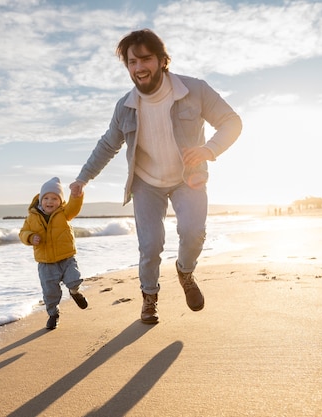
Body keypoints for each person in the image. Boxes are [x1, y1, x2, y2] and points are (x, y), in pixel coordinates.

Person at [70, 29, 242, 324]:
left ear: (163, 60)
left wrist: (208, 150)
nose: (138, 68)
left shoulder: (194, 90)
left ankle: (185, 272)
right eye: (131, 62)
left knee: (193, 234)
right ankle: (149, 298)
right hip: (146, 183)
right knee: (150, 245)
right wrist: (83, 178)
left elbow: (231, 122)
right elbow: (108, 145)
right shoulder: (125, 106)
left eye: (145, 59)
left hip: (188, 179)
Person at [20, 177, 88, 330]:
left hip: (67, 258)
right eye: (46, 198)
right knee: (50, 292)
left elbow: (74, 207)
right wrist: (30, 237)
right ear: (40, 199)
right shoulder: (32, 217)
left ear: (60, 201)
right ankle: (53, 314)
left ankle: (75, 292)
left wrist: (76, 196)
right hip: (45, 262)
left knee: (74, 280)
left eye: (54, 198)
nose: (50, 201)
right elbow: (23, 233)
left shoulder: (64, 213)